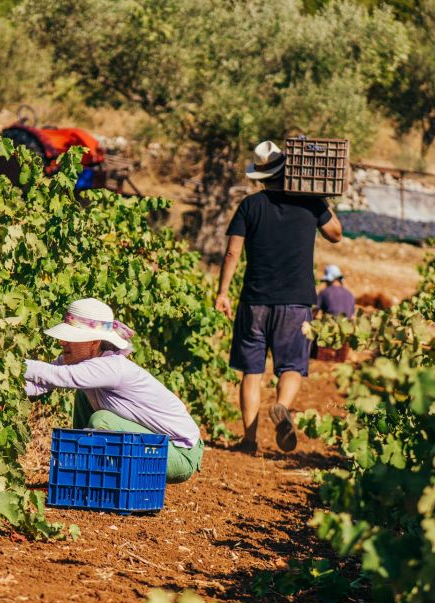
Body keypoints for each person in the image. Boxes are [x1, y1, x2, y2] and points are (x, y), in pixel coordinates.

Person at [215, 141, 343, 454]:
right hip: (296, 302)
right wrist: (321, 199)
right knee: (292, 367)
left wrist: (222, 292)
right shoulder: (310, 204)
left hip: (254, 300)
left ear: (260, 175)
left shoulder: (250, 205)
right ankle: (282, 406)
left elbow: (233, 251)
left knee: (251, 372)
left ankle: (248, 441)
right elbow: (336, 234)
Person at [23, 297, 204, 483]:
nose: (62, 342)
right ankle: (82, 468)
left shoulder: (111, 367)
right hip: (158, 442)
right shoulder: (82, 362)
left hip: (179, 453)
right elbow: (43, 381)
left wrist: (13, 363)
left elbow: (59, 376)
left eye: (71, 337)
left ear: (94, 342)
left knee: (102, 421)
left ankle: (90, 475)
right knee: (83, 395)